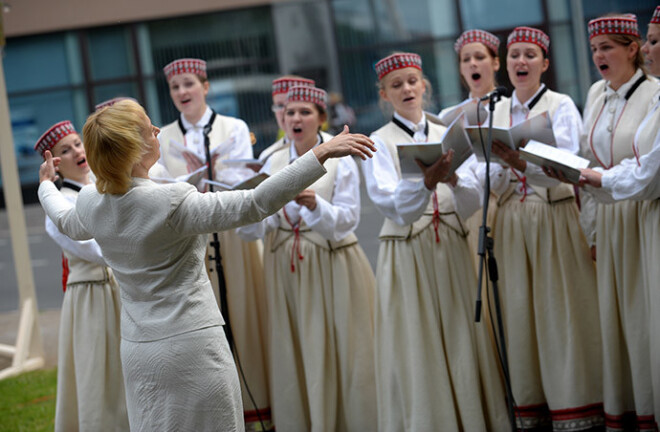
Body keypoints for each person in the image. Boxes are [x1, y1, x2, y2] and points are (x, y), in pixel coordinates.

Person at [37, 99, 375, 431]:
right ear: (136, 148)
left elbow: (64, 219)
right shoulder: (172, 200)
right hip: (194, 347)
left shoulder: (91, 202)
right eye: (147, 128)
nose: (157, 130)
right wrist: (320, 153)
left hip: (139, 351)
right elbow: (256, 203)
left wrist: (44, 186)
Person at [361, 52, 509, 431]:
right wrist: (427, 182)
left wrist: (454, 178)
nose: (407, 89)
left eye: (412, 81)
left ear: (424, 85)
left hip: (453, 250)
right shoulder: (377, 143)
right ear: (384, 95)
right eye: (396, 85)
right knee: (418, 341)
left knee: (465, 335)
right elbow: (395, 208)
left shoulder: (448, 130)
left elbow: (474, 200)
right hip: (409, 251)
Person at [238, 85, 377, 431]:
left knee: (344, 349)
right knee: (292, 349)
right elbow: (259, 223)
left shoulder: (340, 155)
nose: (296, 118)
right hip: (285, 266)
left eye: (304, 112)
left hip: (331, 263)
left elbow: (347, 220)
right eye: (289, 112)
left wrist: (316, 206)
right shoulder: (271, 160)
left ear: (321, 117)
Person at [487, 27, 603, 430]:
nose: (521, 61)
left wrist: (521, 163)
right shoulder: (494, 110)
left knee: (561, 309)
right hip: (510, 222)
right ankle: (531, 405)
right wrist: (498, 164)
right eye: (515, 54)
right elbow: (486, 177)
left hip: (552, 215)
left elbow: (568, 169)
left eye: (530, 55)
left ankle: (575, 403)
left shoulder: (561, 105)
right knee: (519, 312)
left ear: (545, 63)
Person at [152, 57, 273, 428]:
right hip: (190, 238)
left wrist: (217, 171)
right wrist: (188, 181)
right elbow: (158, 185)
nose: (182, 92)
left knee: (243, 314)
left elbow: (244, 180)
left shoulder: (233, 127)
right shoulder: (165, 136)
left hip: (232, 238)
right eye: (175, 87)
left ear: (205, 87)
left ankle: (256, 409)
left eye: (189, 84)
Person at [577, 11, 660, 430]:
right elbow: (588, 159)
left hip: (639, 212)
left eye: (607, 47)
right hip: (607, 215)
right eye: (593, 49)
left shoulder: (654, 93)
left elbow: (647, 167)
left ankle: (650, 408)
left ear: (632, 49)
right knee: (614, 320)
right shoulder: (595, 94)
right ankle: (627, 409)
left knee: (646, 315)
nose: (598, 56)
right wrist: (591, 229)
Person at [34, 121, 129, 432]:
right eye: (65, 149)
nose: (76, 151)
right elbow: (95, 249)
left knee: (128, 369)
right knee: (98, 372)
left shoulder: (104, 185)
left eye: (78, 143)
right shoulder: (58, 202)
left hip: (118, 288)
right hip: (91, 294)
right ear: (55, 165)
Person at [439, 29, 506, 267]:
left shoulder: (511, 110)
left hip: (508, 215)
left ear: (496, 62)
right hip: (467, 216)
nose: (472, 64)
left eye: (479, 57)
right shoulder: (448, 117)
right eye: (466, 60)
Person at [256, 76, 316, 165]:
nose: (285, 112)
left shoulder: (337, 153)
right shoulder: (267, 158)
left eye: (291, 105)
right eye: (280, 106)